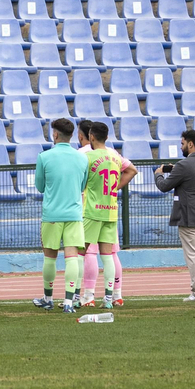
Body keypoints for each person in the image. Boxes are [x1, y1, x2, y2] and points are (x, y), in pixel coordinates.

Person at [32, 118, 88, 313]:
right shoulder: (82, 158)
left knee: (50, 257)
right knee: (72, 256)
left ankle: (48, 298)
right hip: (74, 213)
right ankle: (69, 302)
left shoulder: (44, 157)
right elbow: (82, 186)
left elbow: (39, 186)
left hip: (52, 214)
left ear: (55, 134)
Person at [156, 129, 195, 302]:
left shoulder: (184, 165)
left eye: (182, 143)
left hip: (188, 214)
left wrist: (158, 174)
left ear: (190, 144)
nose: (181, 146)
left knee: (192, 253)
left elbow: (165, 186)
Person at [79, 120, 134, 309]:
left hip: (92, 210)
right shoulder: (115, 156)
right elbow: (132, 170)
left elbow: (80, 180)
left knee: (84, 253)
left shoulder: (88, 156)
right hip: (111, 211)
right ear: (107, 137)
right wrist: (114, 187)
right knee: (109, 255)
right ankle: (110, 298)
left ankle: (87, 296)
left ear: (91, 137)